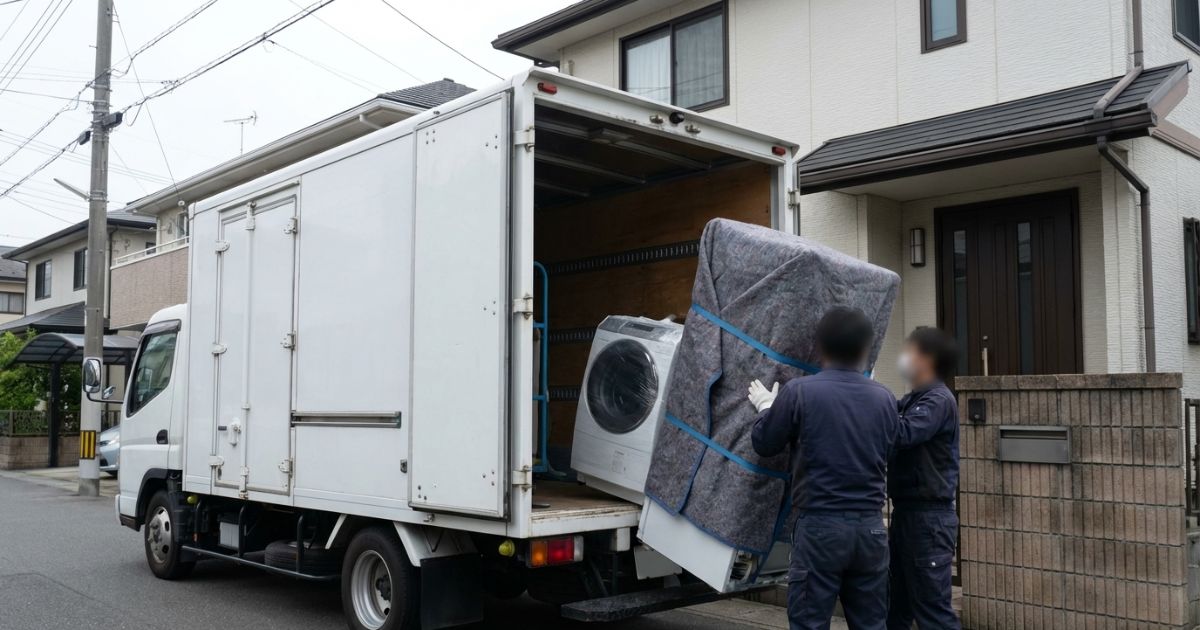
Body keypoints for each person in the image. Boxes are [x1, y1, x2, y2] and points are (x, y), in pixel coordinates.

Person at [749, 306, 899, 630]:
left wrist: (766, 407)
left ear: (819, 348)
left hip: (820, 529)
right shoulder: (885, 398)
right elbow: (892, 449)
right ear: (865, 349)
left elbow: (765, 443)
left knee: (810, 623)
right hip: (871, 530)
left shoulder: (800, 392)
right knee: (872, 625)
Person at [887, 327, 961, 630]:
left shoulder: (937, 401)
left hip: (929, 519)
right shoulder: (912, 400)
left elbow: (901, 434)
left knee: (933, 613)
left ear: (927, 359)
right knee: (895, 607)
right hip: (907, 514)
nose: (903, 358)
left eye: (910, 352)